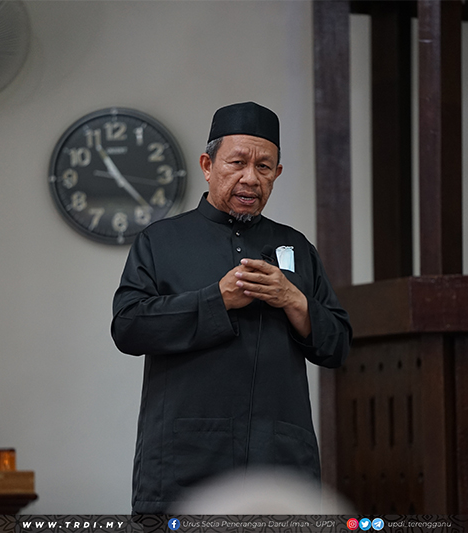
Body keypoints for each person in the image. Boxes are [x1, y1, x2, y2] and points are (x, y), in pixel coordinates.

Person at [111, 101, 352, 514]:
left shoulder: (296, 248)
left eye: (264, 167)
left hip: (277, 460)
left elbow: (338, 346)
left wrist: (293, 300)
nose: (249, 178)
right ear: (208, 164)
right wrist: (216, 299)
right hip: (185, 459)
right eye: (237, 162)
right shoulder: (161, 241)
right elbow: (129, 326)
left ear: (276, 174)